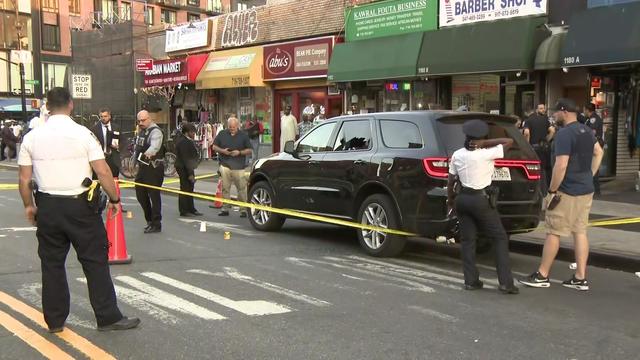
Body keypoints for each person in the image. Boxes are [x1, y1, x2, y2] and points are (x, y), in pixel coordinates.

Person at [17, 87, 139, 332]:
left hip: (48, 205)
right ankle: (107, 317)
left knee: (51, 264)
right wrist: (115, 200)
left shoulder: (32, 137)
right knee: (94, 262)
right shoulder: (82, 134)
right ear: (71, 104)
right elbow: (103, 171)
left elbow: (23, 178)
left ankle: (54, 321)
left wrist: (29, 205)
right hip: (79, 206)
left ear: (48, 106)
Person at [520, 98, 604, 291]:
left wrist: (552, 190)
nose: (554, 116)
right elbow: (599, 152)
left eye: (556, 112)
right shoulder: (587, 131)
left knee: (553, 231)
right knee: (580, 231)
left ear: (564, 111)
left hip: (566, 190)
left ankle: (542, 274)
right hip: (586, 189)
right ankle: (580, 277)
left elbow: (561, 164)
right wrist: (589, 174)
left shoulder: (565, 134)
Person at [447, 119, 519, 294]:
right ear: (481, 138)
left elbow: (451, 182)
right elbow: (509, 141)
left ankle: (471, 281)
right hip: (481, 200)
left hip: (462, 199)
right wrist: (485, 143)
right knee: (500, 237)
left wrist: (451, 202)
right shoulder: (487, 153)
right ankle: (505, 283)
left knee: (467, 241)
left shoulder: (457, 154)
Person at [212, 117, 252, 217]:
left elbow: (250, 150)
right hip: (225, 165)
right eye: (230, 127)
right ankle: (225, 208)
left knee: (241, 189)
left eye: (234, 127)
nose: (232, 129)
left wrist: (239, 152)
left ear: (237, 126)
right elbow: (214, 146)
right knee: (225, 188)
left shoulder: (243, 135)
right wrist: (223, 151)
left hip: (239, 166)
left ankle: (243, 209)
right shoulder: (222, 134)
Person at [135, 110, 166, 233]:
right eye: (139, 121)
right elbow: (138, 147)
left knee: (154, 196)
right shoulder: (141, 131)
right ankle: (149, 220)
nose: (141, 123)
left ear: (149, 118)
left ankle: (156, 223)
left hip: (153, 168)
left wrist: (147, 154)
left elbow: (154, 147)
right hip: (143, 168)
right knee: (140, 194)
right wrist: (133, 161)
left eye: (143, 120)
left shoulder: (156, 131)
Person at [524, 104, 555, 195]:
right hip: (544, 147)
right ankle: (546, 190)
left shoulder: (529, 120)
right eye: (541, 108)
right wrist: (547, 140)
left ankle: (537, 190)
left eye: (543, 108)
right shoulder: (545, 119)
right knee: (545, 168)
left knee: (535, 169)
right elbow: (552, 130)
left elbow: (526, 133)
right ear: (536, 110)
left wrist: (527, 145)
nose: (543, 110)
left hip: (534, 147)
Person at [175, 122, 202, 217]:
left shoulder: (187, 141)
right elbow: (186, 158)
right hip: (184, 167)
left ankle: (191, 208)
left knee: (190, 188)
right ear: (187, 132)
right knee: (185, 188)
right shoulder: (183, 142)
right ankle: (184, 210)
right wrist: (190, 174)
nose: (194, 134)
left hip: (188, 166)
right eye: (192, 132)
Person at [91, 108, 120, 177]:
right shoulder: (94, 129)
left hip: (113, 158)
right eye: (101, 116)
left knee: (114, 179)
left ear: (109, 116)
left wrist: (119, 146)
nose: (103, 118)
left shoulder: (116, 127)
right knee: (97, 179)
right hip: (100, 158)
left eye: (105, 116)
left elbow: (122, 140)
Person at [583, 103, 604, 196]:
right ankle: (594, 189)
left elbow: (592, 131)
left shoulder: (593, 119)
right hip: (592, 144)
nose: (583, 112)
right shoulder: (589, 119)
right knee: (591, 166)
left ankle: (596, 190)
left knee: (593, 166)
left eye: (584, 109)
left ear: (588, 110)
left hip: (594, 145)